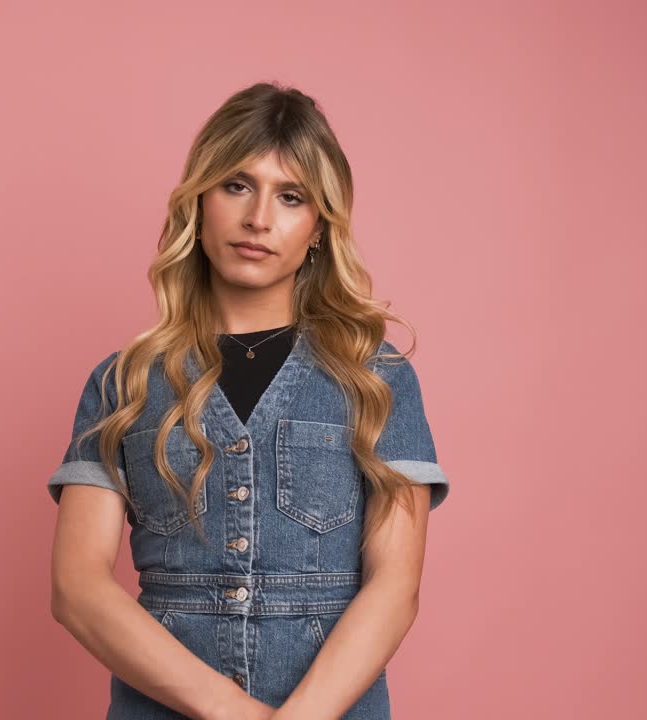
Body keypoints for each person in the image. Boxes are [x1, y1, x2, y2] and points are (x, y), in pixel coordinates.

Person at [47, 82, 449, 720]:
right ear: (199, 204)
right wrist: (230, 712)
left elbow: (395, 587)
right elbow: (78, 588)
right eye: (237, 185)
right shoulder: (122, 384)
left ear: (318, 227)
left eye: (291, 197)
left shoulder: (376, 379)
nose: (259, 218)